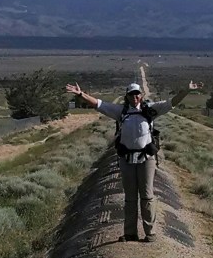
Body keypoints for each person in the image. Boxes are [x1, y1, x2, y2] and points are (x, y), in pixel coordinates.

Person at [65, 79, 198, 242]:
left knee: (147, 195)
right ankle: (130, 233)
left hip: (146, 159)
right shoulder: (120, 111)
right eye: (131, 94)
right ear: (127, 96)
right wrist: (81, 94)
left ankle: (150, 233)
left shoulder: (151, 110)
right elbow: (99, 104)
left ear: (141, 96)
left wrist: (186, 90)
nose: (134, 97)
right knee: (130, 197)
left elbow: (172, 102)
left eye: (137, 94)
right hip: (126, 159)